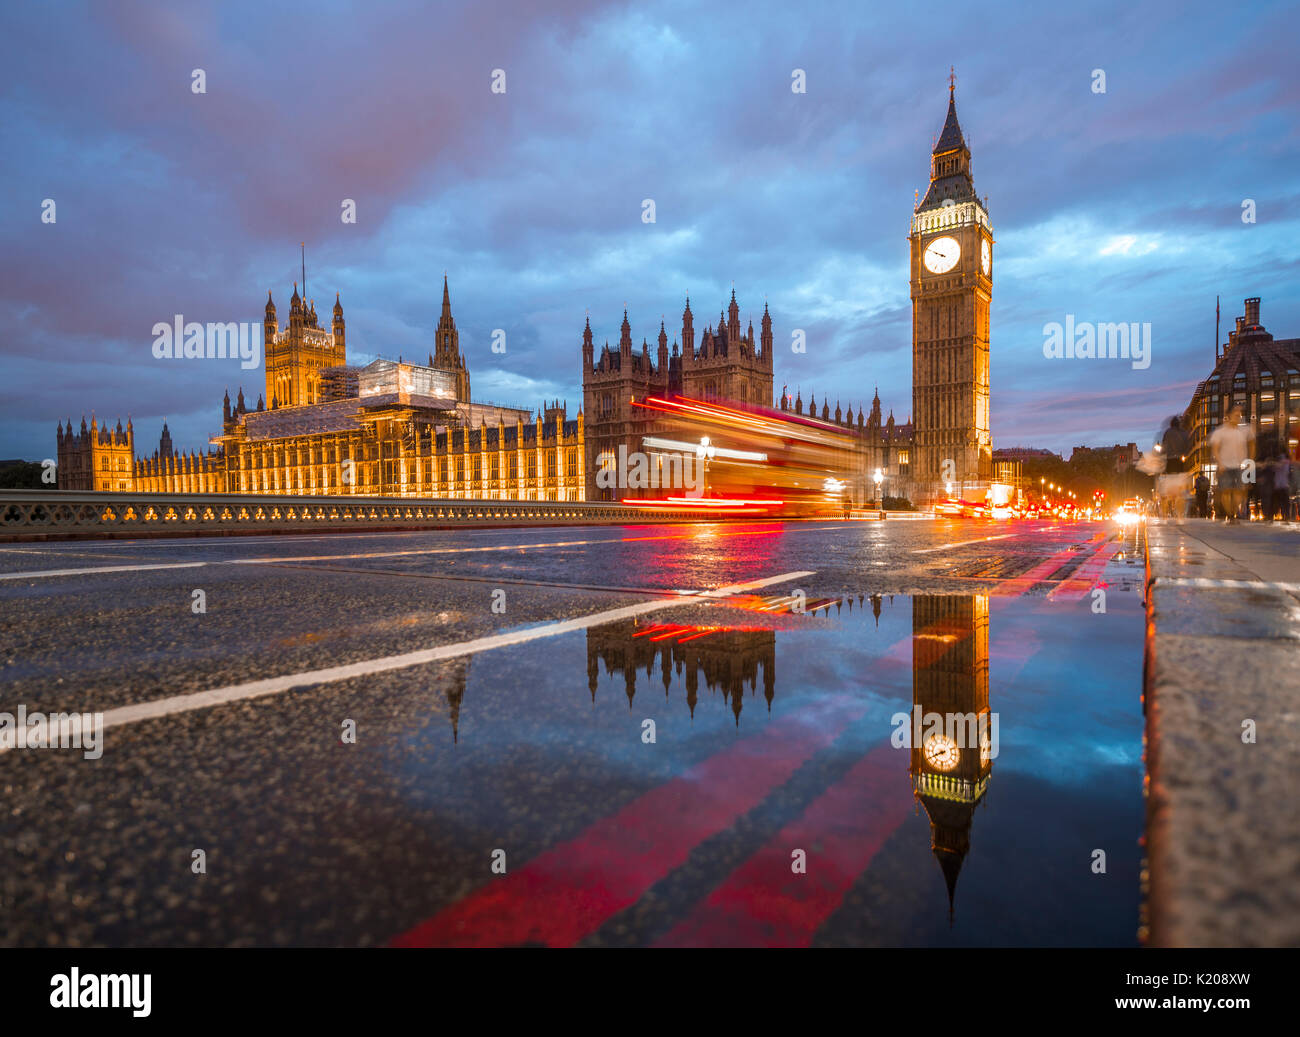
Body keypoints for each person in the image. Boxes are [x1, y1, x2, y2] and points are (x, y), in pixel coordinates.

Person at [1209, 407, 1252, 522]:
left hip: (1239, 466)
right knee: (1226, 491)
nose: (1238, 417)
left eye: (1240, 415)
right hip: (1225, 465)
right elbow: (1215, 449)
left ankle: (1233, 512)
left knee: (1239, 491)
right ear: (1228, 416)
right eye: (1236, 414)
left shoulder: (1243, 431)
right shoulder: (1220, 432)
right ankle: (1230, 514)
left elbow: (1251, 445)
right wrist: (1220, 463)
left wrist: (1249, 463)